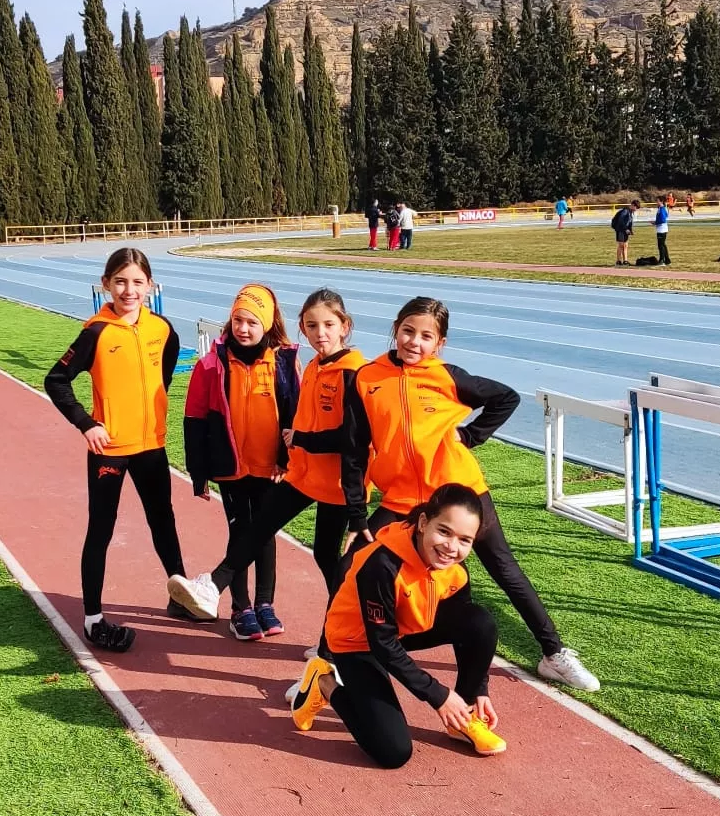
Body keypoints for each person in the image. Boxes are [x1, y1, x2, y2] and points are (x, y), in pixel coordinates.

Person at [342, 295, 599, 693]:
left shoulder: (447, 376)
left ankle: (554, 654)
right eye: (408, 331)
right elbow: (355, 449)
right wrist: (357, 514)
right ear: (395, 328)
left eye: (427, 336)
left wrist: (469, 435)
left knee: (505, 570)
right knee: (352, 566)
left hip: (461, 491)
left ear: (439, 344)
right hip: (402, 498)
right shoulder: (365, 378)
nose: (414, 342)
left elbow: (505, 398)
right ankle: (332, 652)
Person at [44, 246, 216, 653]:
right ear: (106, 284)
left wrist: (153, 406)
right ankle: (92, 618)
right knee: (101, 528)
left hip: (151, 444)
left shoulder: (162, 330)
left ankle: (181, 594)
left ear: (150, 286)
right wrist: (87, 423)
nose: (129, 290)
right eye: (120, 281)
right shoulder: (96, 332)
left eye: (137, 282)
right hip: (111, 449)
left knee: (163, 519)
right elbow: (57, 380)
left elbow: (166, 368)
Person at [173, 288, 364, 612]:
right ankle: (213, 587)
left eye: (328, 325)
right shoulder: (317, 366)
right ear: (302, 328)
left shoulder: (353, 371)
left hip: (340, 481)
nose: (321, 334)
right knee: (262, 527)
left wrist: (301, 441)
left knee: (325, 555)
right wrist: (291, 453)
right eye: (312, 326)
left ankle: (344, 635)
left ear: (344, 326)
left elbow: (353, 438)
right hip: (305, 473)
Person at [288, 484, 503, 767]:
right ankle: (324, 682)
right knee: (393, 752)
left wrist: (479, 689)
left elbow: (467, 623)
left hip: (400, 631)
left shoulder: (454, 568)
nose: (452, 547)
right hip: (357, 642)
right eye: (444, 531)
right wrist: (438, 695)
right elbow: (383, 644)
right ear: (424, 523)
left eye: (465, 540)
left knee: (481, 623)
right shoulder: (381, 565)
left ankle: (462, 718)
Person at [181, 284, 299, 640]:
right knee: (241, 533)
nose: (243, 328)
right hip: (231, 467)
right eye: (237, 320)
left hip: (270, 468)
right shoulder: (212, 364)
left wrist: (287, 459)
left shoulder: (283, 362)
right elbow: (194, 419)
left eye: (251, 321)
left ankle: (265, 604)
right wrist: (199, 473)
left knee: (265, 533)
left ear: (266, 324)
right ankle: (240, 608)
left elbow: (295, 415)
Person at [610, 200, 634, 266]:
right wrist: (625, 229)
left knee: (625, 245)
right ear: (632, 205)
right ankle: (618, 261)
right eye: (636, 208)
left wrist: (630, 230)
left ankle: (625, 261)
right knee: (621, 245)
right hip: (620, 230)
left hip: (625, 231)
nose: (636, 209)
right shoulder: (625, 211)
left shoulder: (630, 212)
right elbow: (621, 220)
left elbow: (629, 222)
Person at [654, 196, 671, 267]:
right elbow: (666, 216)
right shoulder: (661, 208)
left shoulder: (662, 209)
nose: (656, 202)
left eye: (657, 201)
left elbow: (663, 219)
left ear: (661, 201)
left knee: (661, 245)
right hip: (662, 229)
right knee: (663, 245)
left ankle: (662, 260)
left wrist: (655, 222)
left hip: (662, 230)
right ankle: (667, 260)